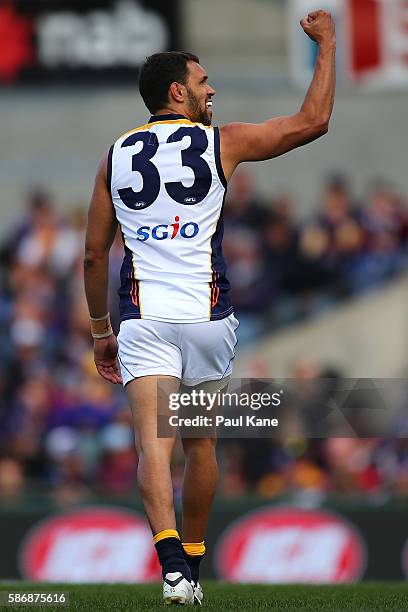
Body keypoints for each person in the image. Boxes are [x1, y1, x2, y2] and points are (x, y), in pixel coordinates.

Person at [84, 9, 336, 605]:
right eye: (203, 82)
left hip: (143, 318)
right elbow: (314, 120)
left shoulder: (115, 154)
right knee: (200, 447)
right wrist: (327, 44)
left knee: (153, 443)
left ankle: (172, 566)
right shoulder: (223, 143)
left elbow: (95, 256)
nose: (211, 89)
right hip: (207, 317)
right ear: (178, 92)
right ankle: (191, 569)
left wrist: (101, 331)